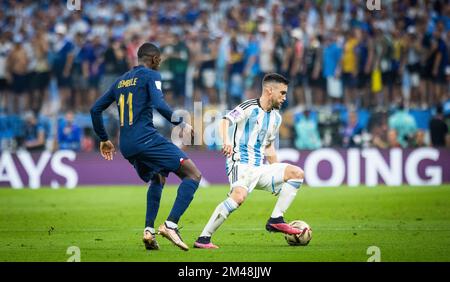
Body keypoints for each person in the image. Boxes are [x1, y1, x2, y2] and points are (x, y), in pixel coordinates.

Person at [90, 42, 202, 251]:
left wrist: (104, 138)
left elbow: (95, 109)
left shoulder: (120, 81)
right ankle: (170, 225)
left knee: (158, 177)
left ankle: (148, 231)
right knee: (193, 175)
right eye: (159, 60)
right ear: (154, 59)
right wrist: (182, 123)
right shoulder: (152, 76)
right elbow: (159, 105)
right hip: (146, 139)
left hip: (127, 145)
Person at [194, 73, 304, 249]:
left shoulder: (276, 117)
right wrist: (226, 141)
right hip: (240, 163)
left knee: (296, 174)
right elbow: (224, 121)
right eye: (282, 93)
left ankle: (276, 218)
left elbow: (268, 146)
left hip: (259, 167)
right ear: (269, 91)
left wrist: (276, 172)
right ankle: (204, 239)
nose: (285, 97)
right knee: (238, 197)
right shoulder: (249, 107)